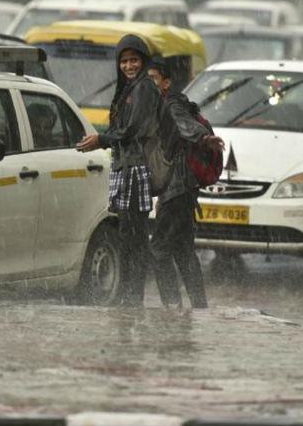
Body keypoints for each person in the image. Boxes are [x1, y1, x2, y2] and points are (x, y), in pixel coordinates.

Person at [76, 34, 161, 307]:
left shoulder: (144, 88)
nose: (128, 66)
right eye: (124, 61)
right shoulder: (128, 89)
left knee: (134, 237)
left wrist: (101, 140)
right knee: (126, 235)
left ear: (143, 61)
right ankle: (128, 298)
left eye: (134, 60)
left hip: (137, 170)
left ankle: (133, 298)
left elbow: (133, 129)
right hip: (124, 168)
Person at [147, 58, 223, 309]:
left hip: (178, 187)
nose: (148, 84)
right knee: (182, 250)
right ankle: (199, 309)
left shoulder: (170, 104)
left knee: (159, 249)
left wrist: (203, 138)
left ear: (166, 83)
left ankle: (172, 308)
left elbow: (184, 125)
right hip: (182, 187)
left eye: (153, 79)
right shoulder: (162, 104)